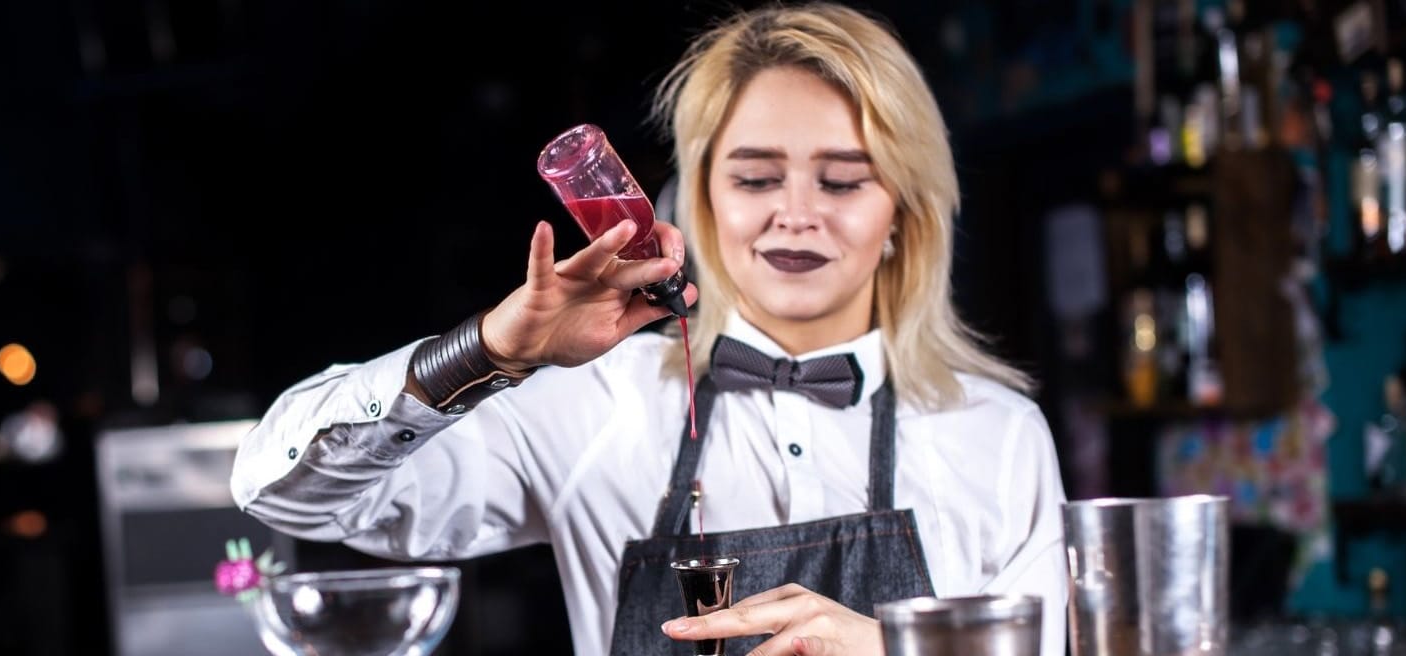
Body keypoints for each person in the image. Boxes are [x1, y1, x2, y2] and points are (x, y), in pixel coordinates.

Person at [230, 2, 1069, 655]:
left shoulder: (995, 434)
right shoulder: (589, 406)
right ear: (698, 205)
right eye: (755, 177)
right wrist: (486, 351)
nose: (796, 216)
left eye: (844, 182)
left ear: (901, 215)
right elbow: (282, 491)